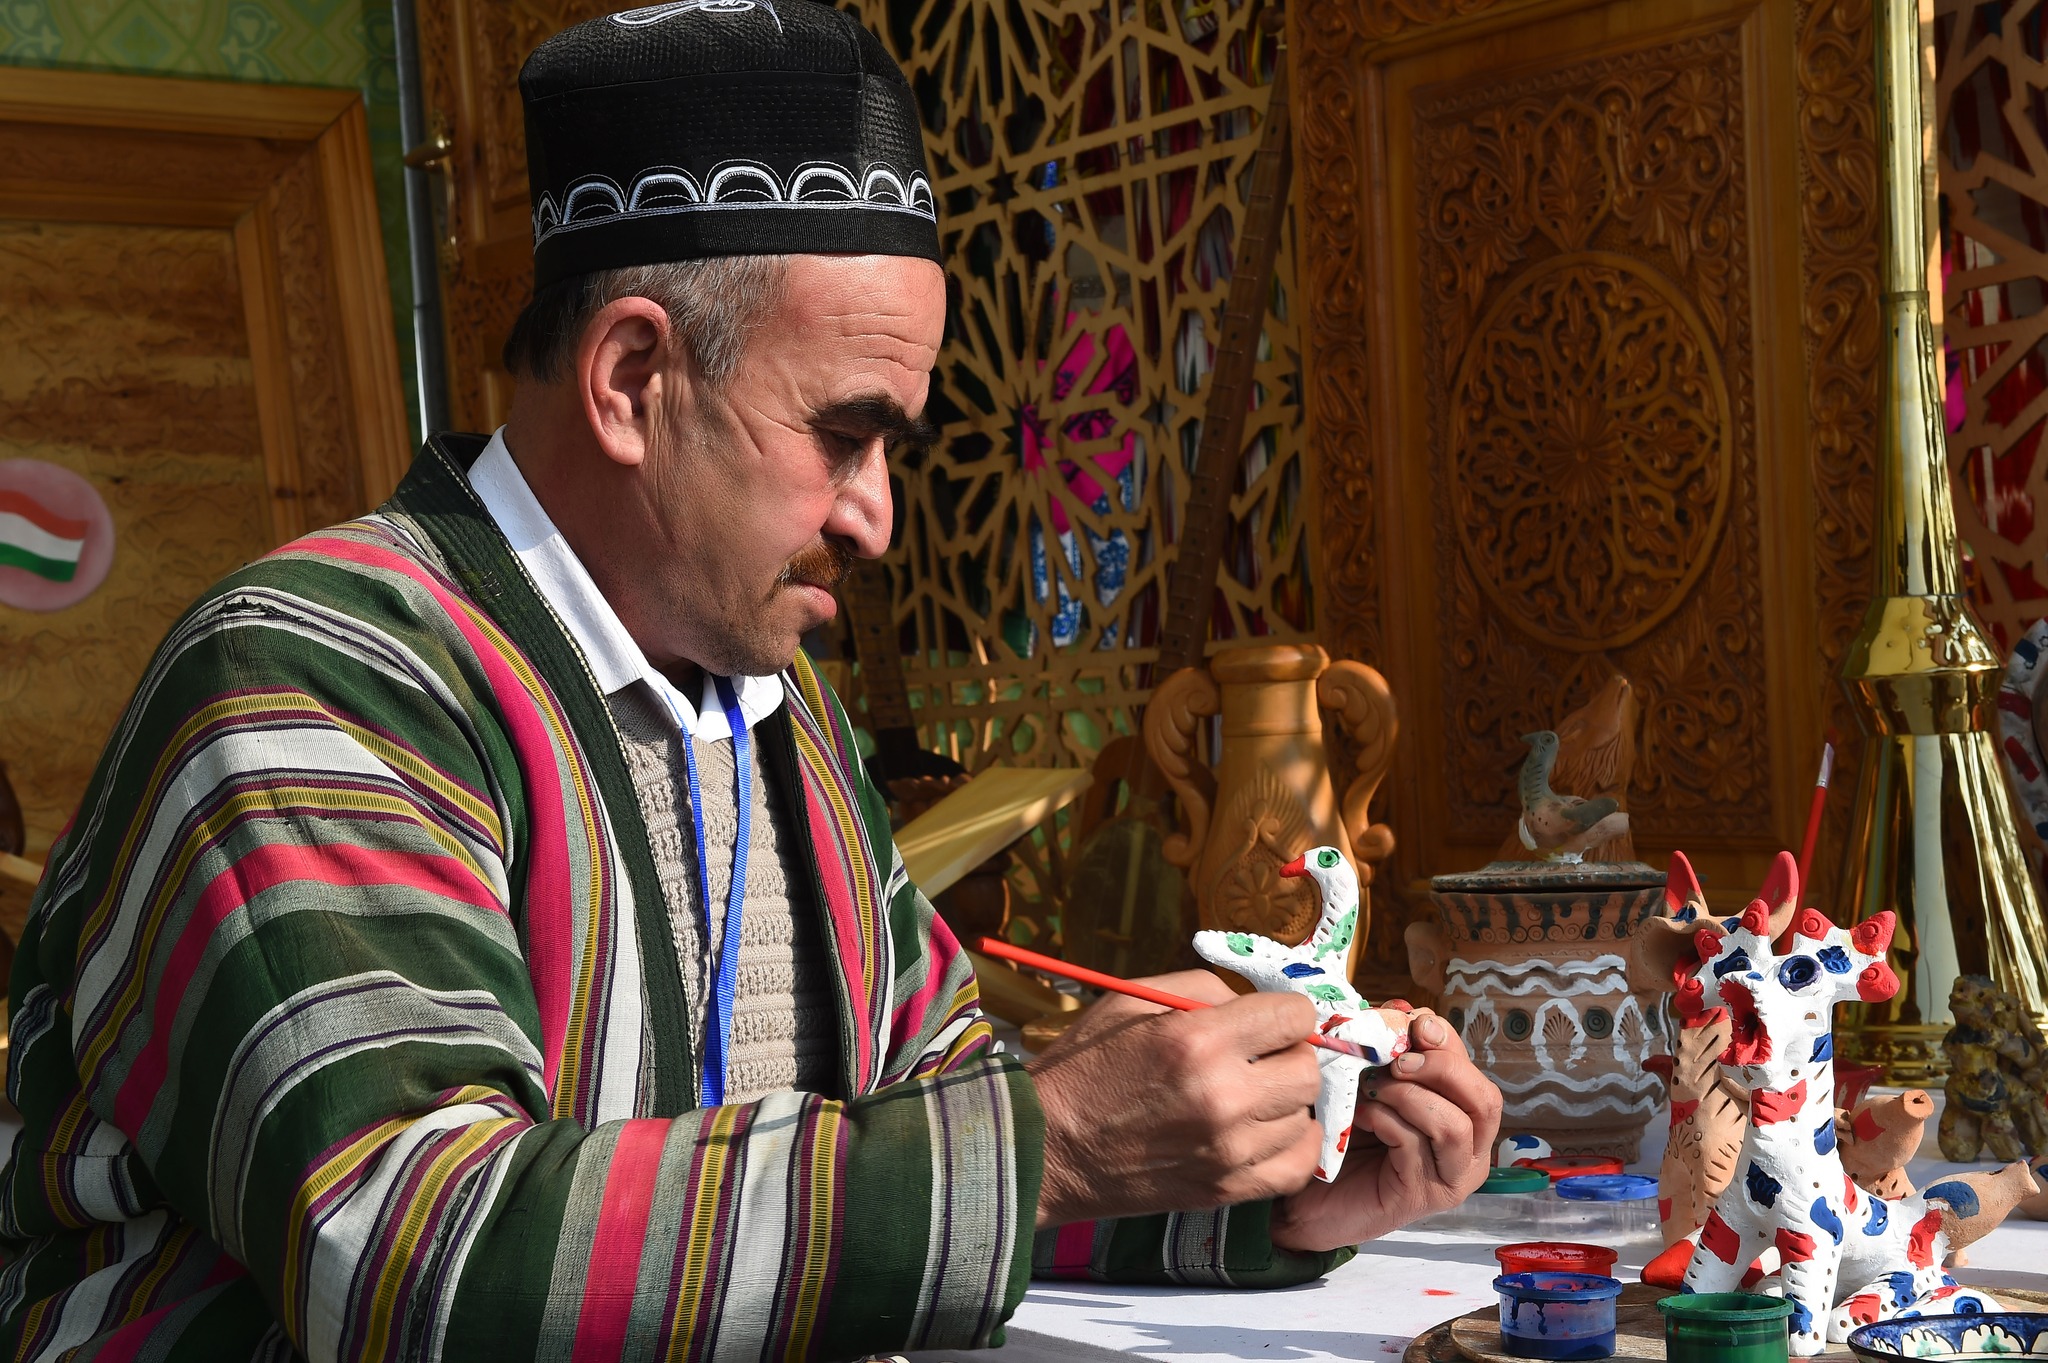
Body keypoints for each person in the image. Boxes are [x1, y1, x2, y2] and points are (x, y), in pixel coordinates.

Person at [0, 4, 1501, 1359]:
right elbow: (410, 1251)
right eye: (844, 433)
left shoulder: (767, 700)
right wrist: (1047, 1143)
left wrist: (1263, 1184)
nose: (878, 515)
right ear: (630, 380)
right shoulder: (316, 676)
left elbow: (918, 1137)